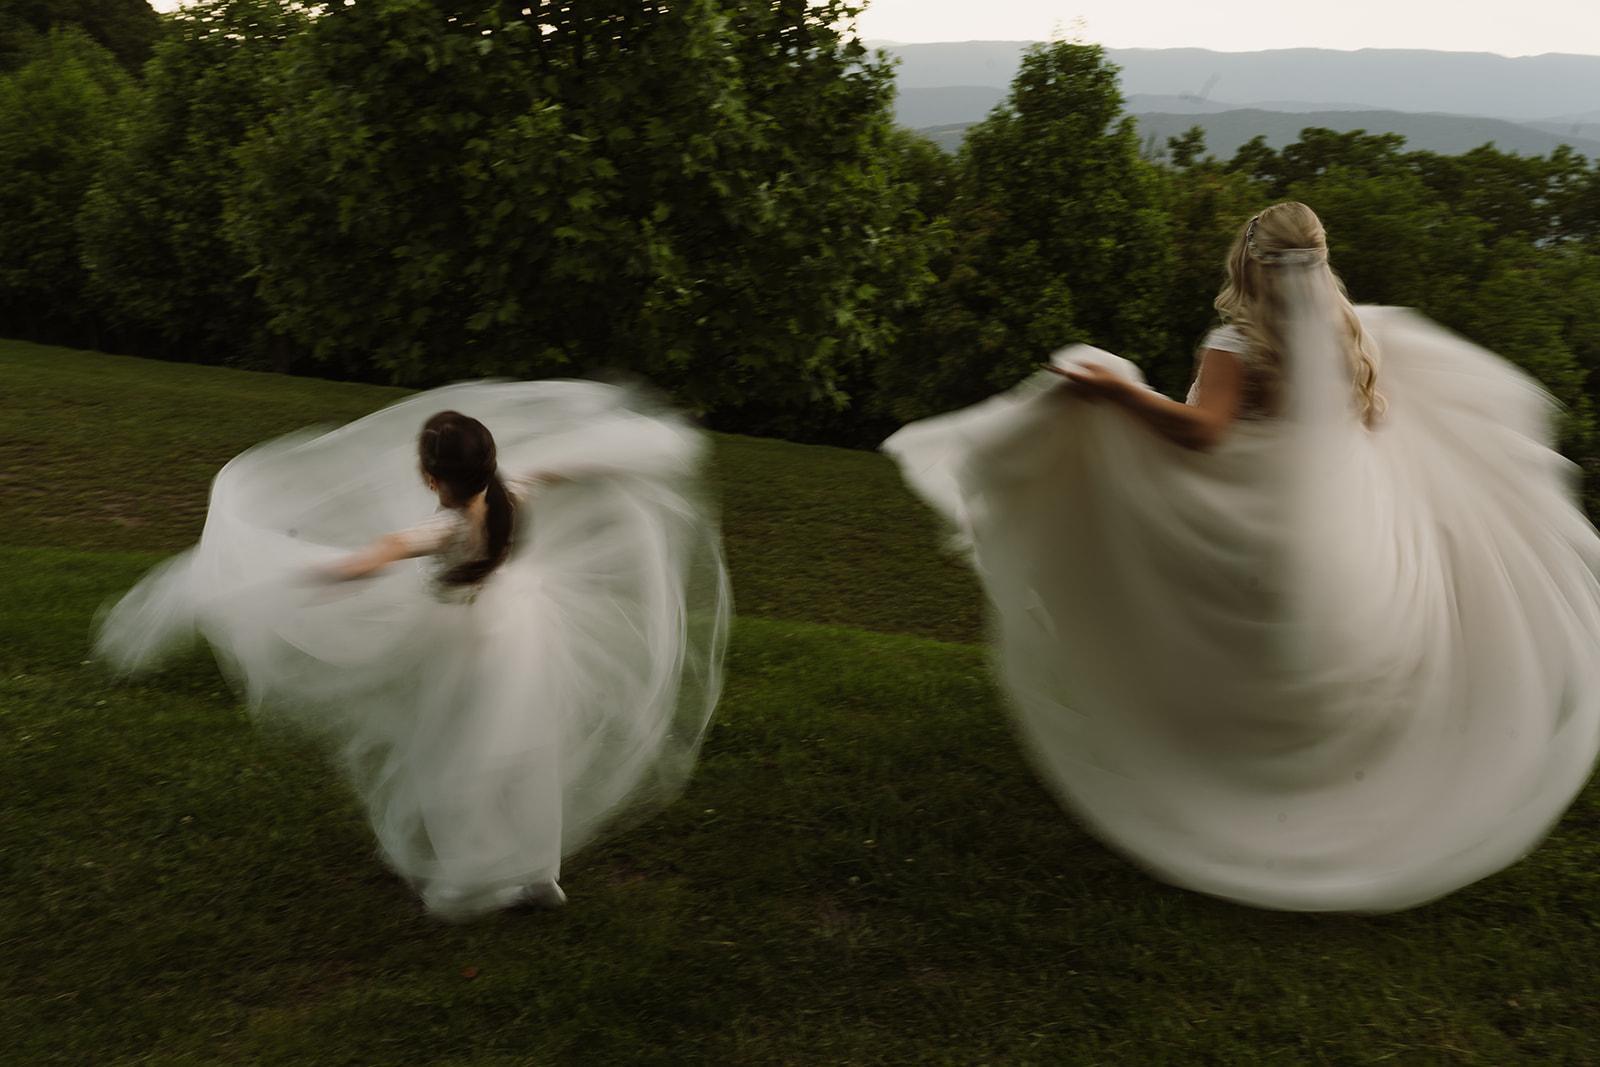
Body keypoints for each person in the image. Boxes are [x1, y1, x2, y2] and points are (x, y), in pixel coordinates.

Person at [884, 202, 1600, 912]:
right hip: (1333, 527)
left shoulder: (1234, 342)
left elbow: (1204, 432)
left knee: (1097, 385)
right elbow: (1366, 417)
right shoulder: (1351, 333)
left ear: (1248, 261)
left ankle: (1214, 764)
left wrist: (1117, 395)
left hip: (1248, 520)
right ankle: (1304, 768)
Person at [99, 380, 730, 920]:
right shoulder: (517, 490)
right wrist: (635, 452)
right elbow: (573, 467)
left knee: (456, 757)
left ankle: (471, 877)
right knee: (526, 755)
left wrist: (283, 569)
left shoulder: (442, 528)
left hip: (466, 648)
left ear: (431, 477)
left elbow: (360, 565)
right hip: (527, 632)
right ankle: (539, 874)